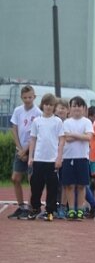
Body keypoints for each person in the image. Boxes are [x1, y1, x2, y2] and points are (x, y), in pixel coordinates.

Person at [26, 93, 64, 221]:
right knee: (36, 185)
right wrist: (31, 157)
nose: (48, 107)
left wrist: (59, 158)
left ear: (54, 107)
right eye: (46, 104)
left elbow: (62, 140)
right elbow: (33, 139)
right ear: (43, 105)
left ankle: (50, 211)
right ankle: (35, 208)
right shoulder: (37, 121)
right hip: (38, 159)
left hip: (52, 160)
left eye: (51, 105)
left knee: (52, 186)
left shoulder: (57, 121)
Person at [8, 85, 41, 219]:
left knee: (31, 179)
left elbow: (37, 135)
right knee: (15, 178)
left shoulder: (38, 113)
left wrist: (26, 151)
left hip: (32, 151)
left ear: (34, 97)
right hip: (20, 149)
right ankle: (21, 206)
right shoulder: (17, 110)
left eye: (30, 97)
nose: (28, 100)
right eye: (25, 97)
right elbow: (14, 129)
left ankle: (30, 206)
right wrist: (20, 149)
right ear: (21, 97)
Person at [61, 96, 93, 220]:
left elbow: (88, 137)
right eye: (74, 106)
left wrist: (73, 134)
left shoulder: (87, 122)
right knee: (69, 185)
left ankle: (80, 209)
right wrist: (81, 136)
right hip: (68, 157)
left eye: (79, 106)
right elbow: (66, 138)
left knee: (81, 185)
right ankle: (71, 210)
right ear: (70, 108)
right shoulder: (66, 122)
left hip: (82, 157)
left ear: (84, 108)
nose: (77, 108)